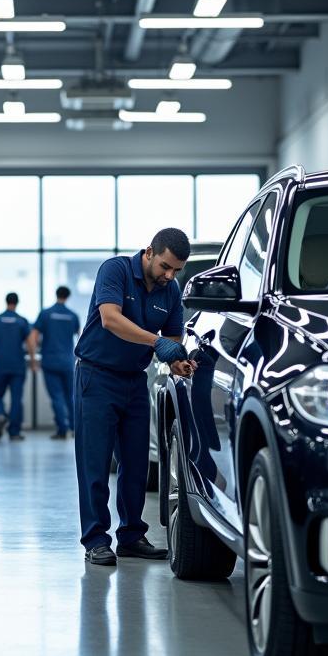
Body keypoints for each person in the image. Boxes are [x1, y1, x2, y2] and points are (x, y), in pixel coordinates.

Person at [74, 228, 196, 565]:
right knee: (95, 464)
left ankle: (130, 535)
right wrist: (157, 343)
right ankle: (96, 539)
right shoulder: (114, 270)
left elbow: (171, 340)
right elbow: (111, 319)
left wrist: (177, 363)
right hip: (96, 377)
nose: (169, 276)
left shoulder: (170, 291)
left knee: (137, 464)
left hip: (134, 381)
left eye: (176, 270)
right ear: (149, 253)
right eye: (165, 266)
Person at [0, 293, 36, 441]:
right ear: (17, 303)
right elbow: (31, 343)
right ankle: (14, 432)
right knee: (16, 399)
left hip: (0, 364)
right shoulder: (22, 321)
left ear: (6, 302)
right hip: (17, 366)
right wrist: (32, 362)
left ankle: (0, 415)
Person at [31, 286, 81, 439]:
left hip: (50, 361)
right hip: (67, 361)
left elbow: (33, 336)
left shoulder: (46, 314)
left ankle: (62, 429)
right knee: (70, 396)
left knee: (56, 396)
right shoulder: (72, 316)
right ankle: (75, 428)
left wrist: (34, 357)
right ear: (68, 296)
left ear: (56, 294)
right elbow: (80, 337)